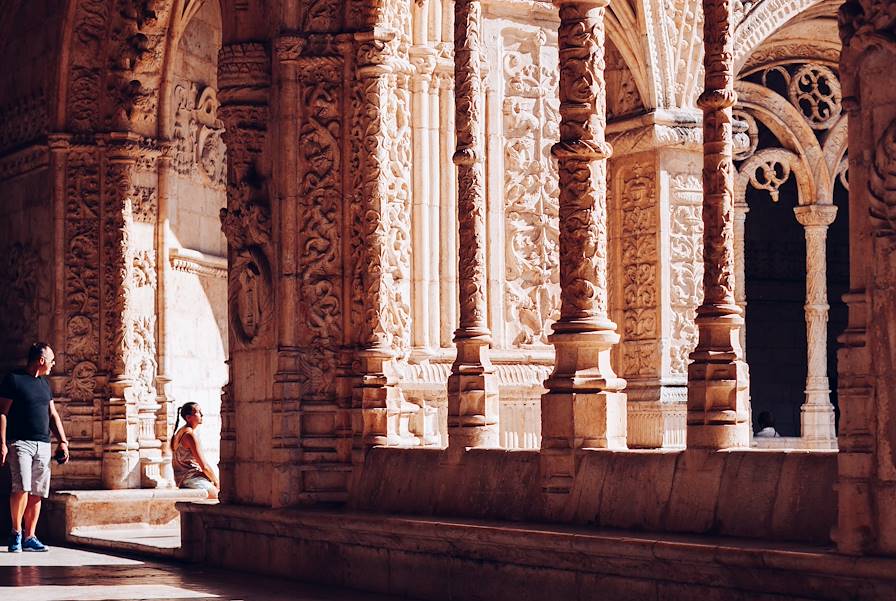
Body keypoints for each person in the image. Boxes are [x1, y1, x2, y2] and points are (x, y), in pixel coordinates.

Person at [0, 342, 69, 553]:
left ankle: (30, 536)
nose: (53, 364)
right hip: (19, 442)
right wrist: (2, 443)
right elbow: (2, 413)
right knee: (21, 487)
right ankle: (16, 533)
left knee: (37, 491)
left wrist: (63, 441)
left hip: (43, 443)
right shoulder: (14, 379)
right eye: (51, 360)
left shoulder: (44, 384)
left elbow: (53, 415)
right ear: (41, 360)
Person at [171, 402, 219, 499]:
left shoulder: (181, 431)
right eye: (198, 412)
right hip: (192, 479)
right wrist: (217, 482)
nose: (202, 415)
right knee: (219, 496)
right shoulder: (189, 435)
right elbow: (204, 466)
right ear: (188, 417)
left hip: (183, 480)